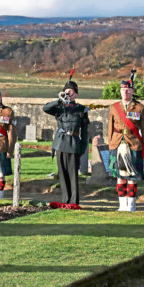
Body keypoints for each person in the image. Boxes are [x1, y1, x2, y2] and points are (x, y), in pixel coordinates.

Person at [43, 70, 89, 204]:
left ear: (76, 94)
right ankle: (65, 200)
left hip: (74, 143)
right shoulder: (59, 107)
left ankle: (74, 202)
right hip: (60, 143)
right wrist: (60, 99)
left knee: (73, 174)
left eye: (71, 92)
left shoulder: (81, 109)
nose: (69, 94)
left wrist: (82, 147)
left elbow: (85, 132)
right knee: (62, 174)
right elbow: (45, 108)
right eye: (66, 91)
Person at [108, 69, 144, 212]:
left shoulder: (139, 107)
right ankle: (122, 205)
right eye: (123, 90)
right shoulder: (114, 107)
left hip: (133, 144)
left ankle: (131, 206)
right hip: (117, 143)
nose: (125, 92)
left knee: (132, 177)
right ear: (120, 91)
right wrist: (110, 146)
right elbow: (110, 128)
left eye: (128, 90)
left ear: (132, 91)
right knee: (120, 177)